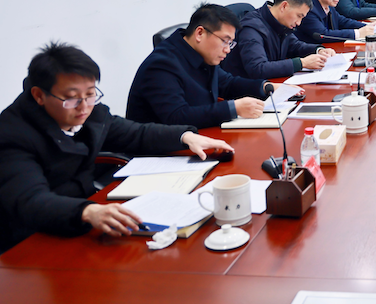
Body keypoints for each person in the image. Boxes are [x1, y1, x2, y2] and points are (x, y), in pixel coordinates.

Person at [0, 43, 233, 253]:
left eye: (90, 94)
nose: (84, 107)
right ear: (39, 96)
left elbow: (135, 133)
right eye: (72, 98)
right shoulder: (12, 135)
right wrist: (87, 211)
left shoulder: (90, 113)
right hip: (32, 240)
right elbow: (30, 201)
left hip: (88, 223)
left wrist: (185, 137)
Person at [126, 3, 291, 129]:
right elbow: (177, 117)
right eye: (225, 41)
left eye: (231, 43)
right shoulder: (161, 65)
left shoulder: (202, 54)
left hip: (200, 137)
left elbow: (227, 83)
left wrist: (265, 86)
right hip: (161, 153)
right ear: (200, 33)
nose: (228, 49)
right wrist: (233, 108)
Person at [222, 0, 335, 79]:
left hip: (273, 84)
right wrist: (301, 63)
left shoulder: (280, 23)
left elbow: (295, 46)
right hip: (249, 92)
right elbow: (258, 68)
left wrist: (319, 50)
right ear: (284, 6)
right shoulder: (251, 29)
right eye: (298, 16)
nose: (299, 23)